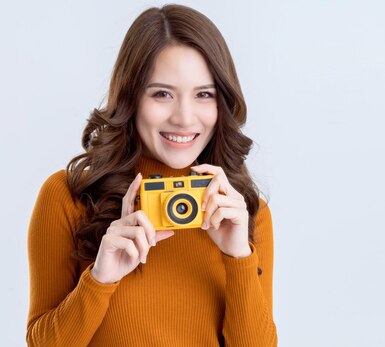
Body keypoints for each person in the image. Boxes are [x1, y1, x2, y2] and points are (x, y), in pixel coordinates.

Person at [26, 4, 277, 346]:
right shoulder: (70, 196)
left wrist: (239, 258)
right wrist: (100, 279)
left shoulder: (246, 213)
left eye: (204, 94)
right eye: (162, 94)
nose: (185, 118)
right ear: (131, 97)